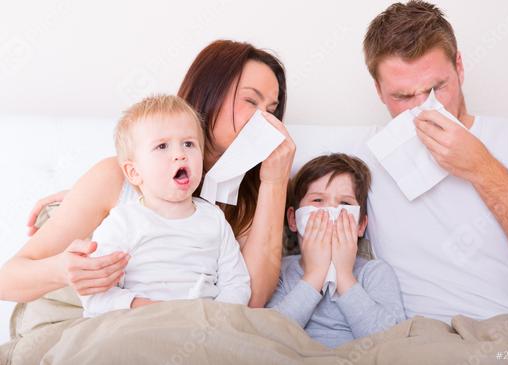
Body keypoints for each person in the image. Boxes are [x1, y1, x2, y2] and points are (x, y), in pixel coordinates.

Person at [0, 40, 295, 308]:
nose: (265, 121)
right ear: (210, 93)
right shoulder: (115, 178)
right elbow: (8, 280)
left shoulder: (249, 194)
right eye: (251, 101)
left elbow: (252, 301)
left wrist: (275, 181)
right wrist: (63, 269)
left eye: (271, 109)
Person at [358, 0, 508, 323]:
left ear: (459, 67)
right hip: (420, 343)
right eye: (402, 96)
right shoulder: (366, 157)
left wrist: (482, 168)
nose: (424, 108)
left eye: (436, 88)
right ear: (378, 91)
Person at [80, 94, 250, 317]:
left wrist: (218, 318)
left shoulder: (214, 219)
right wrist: (141, 306)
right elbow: (95, 295)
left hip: (204, 324)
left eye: (189, 144)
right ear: (134, 172)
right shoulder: (123, 222)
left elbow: (237, 283)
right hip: (139, 322)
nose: (180, 155)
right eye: (162, 146)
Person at [267, 154, 405, 348]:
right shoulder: (279, 271)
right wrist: (315, 275)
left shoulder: (375, 272)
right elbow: (267, 335)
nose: (331, 210)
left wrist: (344, 276)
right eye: (317, 200)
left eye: (345, 204)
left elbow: (393, 341)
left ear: (360, 225)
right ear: (293, 219)